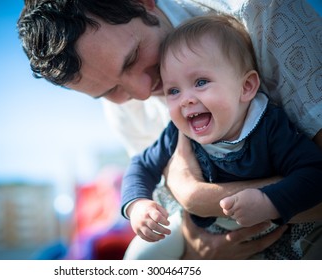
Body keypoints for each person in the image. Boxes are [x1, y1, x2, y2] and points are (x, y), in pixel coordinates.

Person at [17, 0, 322, 259]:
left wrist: (195, 196)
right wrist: (191, 247)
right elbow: (155, 188)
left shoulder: (262, 13)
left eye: (133, 58)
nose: (143, 91)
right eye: (110, 91)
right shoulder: (121, 111)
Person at [120, 14, 322, 259]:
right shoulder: (178, 131)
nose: (186, 99)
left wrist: (269, 201)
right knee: (138, 258)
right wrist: (137, 205)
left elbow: (314, 173)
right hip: (194, 227)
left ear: (246, 87)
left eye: (201, 82)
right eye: (173, 90)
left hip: (275, 231)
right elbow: (141, 164)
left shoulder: (268, 126)